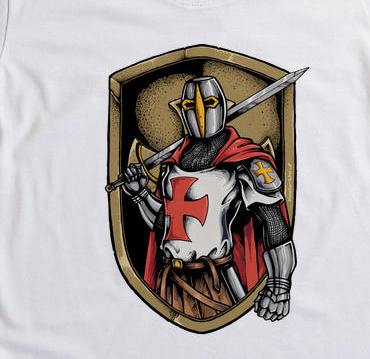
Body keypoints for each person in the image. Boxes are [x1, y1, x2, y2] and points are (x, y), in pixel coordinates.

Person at [120, 75, 296, 322]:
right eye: (190, 106)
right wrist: (140, 194)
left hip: (218, 281)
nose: (200, 113)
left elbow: (274, 222)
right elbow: (165, 224)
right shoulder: (172, 165)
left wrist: (279, 287)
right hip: (170, 281)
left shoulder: (247, 161)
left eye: (210, 103)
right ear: (182, 111)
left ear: (222, 105)